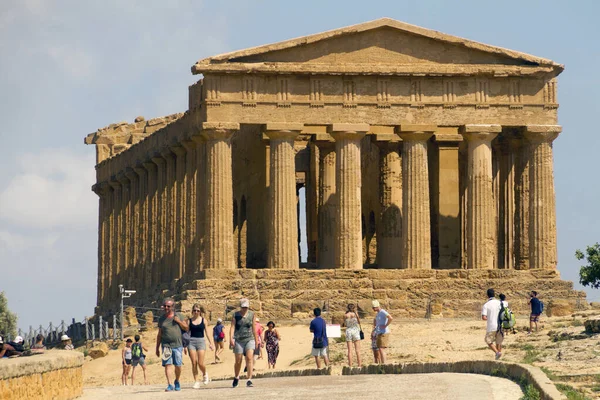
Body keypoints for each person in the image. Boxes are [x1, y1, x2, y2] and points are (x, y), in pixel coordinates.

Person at [155, 297, 189, 392]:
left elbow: (186, 328)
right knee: (168, 364)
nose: (166, 308)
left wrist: (178, 321)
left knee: (178, 365)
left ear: (173, 307)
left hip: (177, 345)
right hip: (166, 345)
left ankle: (177, 380)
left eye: (168, 306)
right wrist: (157, 348)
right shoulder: (161, 319)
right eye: (165, 306)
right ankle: (170, 384)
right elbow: (159, 334)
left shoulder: (179, 316)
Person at [230, 298, 258, 388]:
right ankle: (236, 377)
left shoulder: (252, 315)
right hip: (238, 339)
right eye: (243, 307)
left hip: (249, 338)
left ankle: (249, 379)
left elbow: (254, 328)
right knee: (238, 360)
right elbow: (232, 327)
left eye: (246, 307)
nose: (244, 309)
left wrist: (257, 340)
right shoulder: (236, 315)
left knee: (249, 358)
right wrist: (231, 338)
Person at [186, 303, 214, 389]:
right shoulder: (189, 321)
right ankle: (196, 381)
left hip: (201, 341)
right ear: (192, 311)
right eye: (194, 310)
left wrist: (211, 343)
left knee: (200, 363)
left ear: (200, 311)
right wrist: (184, 345)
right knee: (194, 362)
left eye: (198, 310)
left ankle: (205, 374)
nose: (196, 312)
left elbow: (207, 332)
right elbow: (187, 333)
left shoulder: (204, 320)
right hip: (191, 341)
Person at [482, 288, 503, 360]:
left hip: (492, 326)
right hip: (500, 325)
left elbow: (484, 317)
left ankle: (497, 352)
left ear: (487, 295)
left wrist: (490, 318)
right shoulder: (500, 302)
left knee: (488, 340)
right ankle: (498, 358)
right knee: (498, 342)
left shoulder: (486, 305)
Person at [372, 300, 392, 365]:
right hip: (379, 332)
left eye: (373, 307)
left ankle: (384, 363)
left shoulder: (382, 312)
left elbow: (390, 318)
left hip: (384, 332)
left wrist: (386, 325)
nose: (373, 309)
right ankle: (382, 363)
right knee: (380, 348)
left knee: (381, 348)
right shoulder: (378, 313)